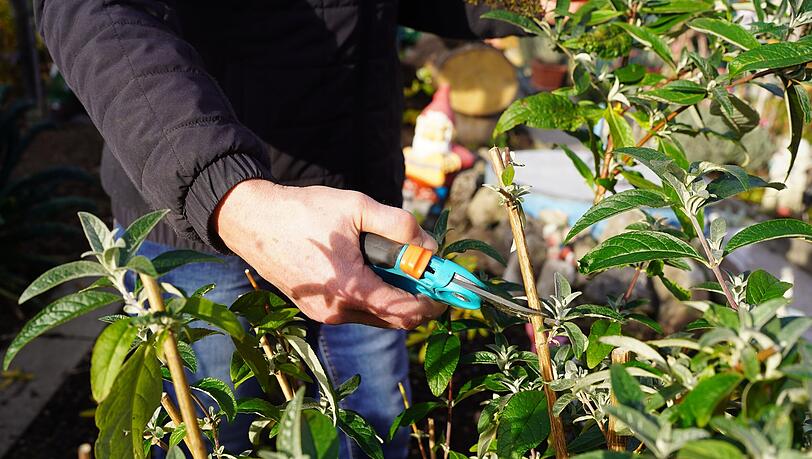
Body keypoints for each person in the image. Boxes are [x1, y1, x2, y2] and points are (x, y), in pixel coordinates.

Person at [33, 1, 518, 457]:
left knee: (379, 428)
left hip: (364, 207)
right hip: (204, 225)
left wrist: (543, 9)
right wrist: (229, 196)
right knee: (220, 431)